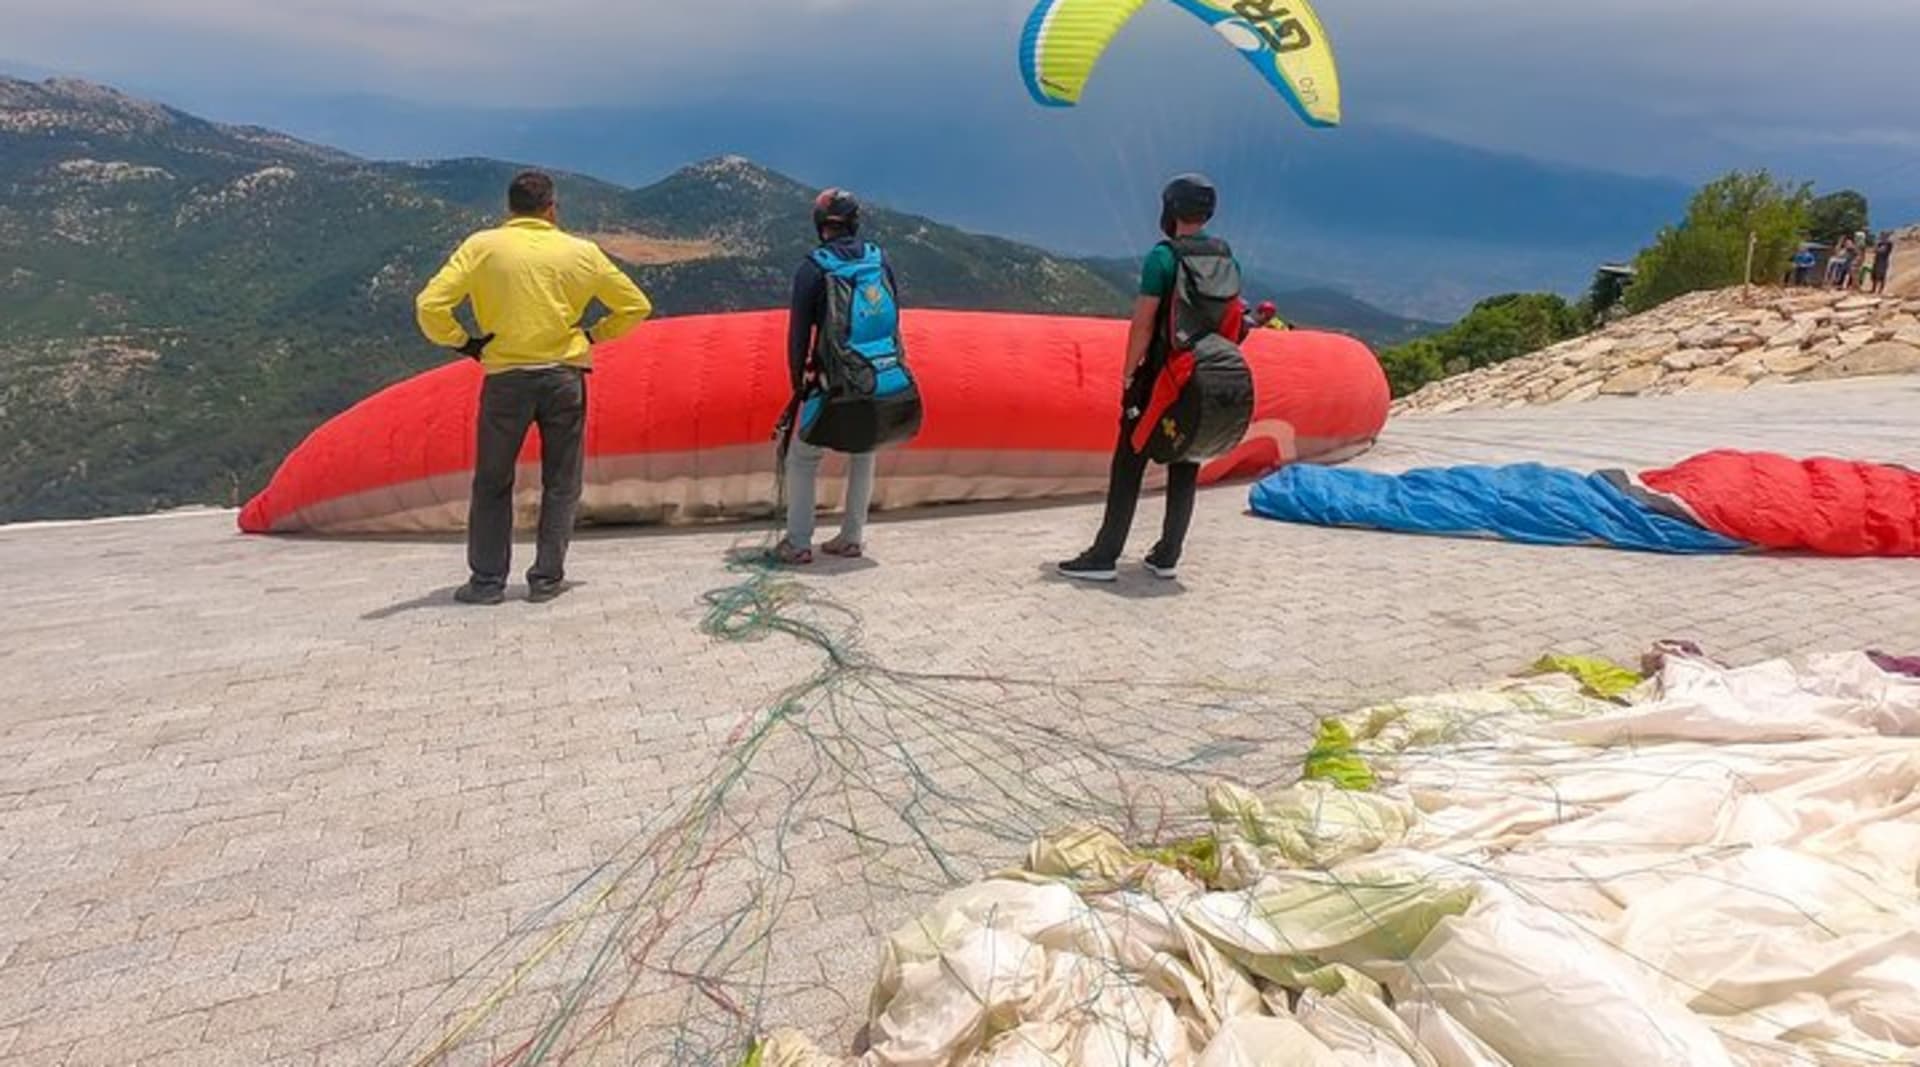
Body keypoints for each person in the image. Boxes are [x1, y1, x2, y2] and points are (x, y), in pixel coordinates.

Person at [415, 171, 653, 605]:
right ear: (552, 208)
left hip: (505, 378)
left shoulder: (481, 246)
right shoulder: (581, 252)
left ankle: (487, 582)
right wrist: (593, 336)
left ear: (510, 209)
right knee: (562, 482)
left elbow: (430, 305)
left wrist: (464, 342)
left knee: (492, 481)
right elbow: (636, 306)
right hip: (564, 376)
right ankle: (546, 578)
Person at [1058, 174, 1239, 583]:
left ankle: (1105, 555)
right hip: (1203, 376)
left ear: (1171, 209)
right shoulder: (1228, 257)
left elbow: (1143, 324)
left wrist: (1128, 374)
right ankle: (1167, 555)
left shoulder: (1164, 257)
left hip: (1161, 376)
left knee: (1129, 460)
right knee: (1186, 458)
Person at [775, 189, 902, 565]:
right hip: (878, 375)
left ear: (820, 224)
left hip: (833, 380)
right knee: (864, 450)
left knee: (802, 455)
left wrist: (798, 382)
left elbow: (799, 334)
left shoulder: (814, 267)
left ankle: (798, 542)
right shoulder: (879, 261)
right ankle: (851, 537)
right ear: (855, 222)